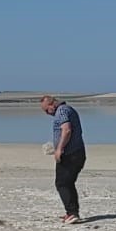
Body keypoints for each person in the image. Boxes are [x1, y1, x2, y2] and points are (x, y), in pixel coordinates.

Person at [40, 95, 86, 224]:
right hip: (75, 153)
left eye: (46, 110)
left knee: (62, 183)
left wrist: (59, 149)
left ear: (52, 104)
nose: (47, 113)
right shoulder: (66, 109)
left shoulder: (62, 111)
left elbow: (66, 130)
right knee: (67, 183)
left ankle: (72, 213)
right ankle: (71, 212)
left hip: (71, 154)